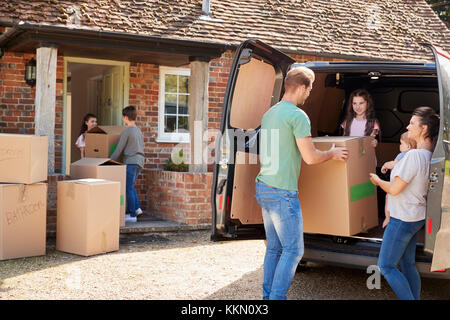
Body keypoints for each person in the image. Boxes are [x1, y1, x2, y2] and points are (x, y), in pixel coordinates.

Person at [254, 66, 349, 300]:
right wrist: (332, 152)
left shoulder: (270, 113)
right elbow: (311, 157)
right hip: (282, 193)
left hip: (264, 187)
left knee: (275, 249)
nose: (310, 93)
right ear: (302, 87)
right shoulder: (298, 116)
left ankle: (268, 298)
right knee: (294, 250)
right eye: (310, 88)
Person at [369, 106, 439, 300]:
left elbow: (393, 189)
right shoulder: (429, 155)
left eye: (412, 123)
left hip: (402, 218)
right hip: (416, 217)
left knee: (386, 266)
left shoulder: (413, 156)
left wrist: (377, 180)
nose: (407, 126)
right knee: (407, 264)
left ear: (424, 129)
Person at [110, 106, 145, 223]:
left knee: (127, 188)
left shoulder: (127, 131)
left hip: (131, 161)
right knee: (131, 186)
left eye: (123, 117)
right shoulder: (138, 131)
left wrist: (108, 161)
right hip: (140, 162)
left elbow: (119, 149)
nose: (122, 119)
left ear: (125, 117)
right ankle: (137, 208)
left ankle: (131, 215)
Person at [380, 131, 417, 228]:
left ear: (408, 146)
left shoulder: (402, 155)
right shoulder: (417, 155)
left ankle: (387, 218)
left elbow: (393, 164)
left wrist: (385, 165)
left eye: (401, 144)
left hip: (396, 183)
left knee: (388, 197)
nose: (399, 146)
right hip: (408, 186)